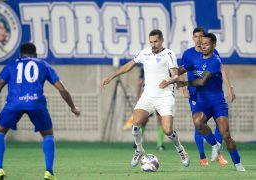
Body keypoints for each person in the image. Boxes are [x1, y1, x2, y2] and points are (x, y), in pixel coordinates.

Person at [0, 43, 81, 180]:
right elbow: (61, 88)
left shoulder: (11, 65)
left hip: (14, 103)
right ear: (35, 55)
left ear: (20, 55)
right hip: (36, 103)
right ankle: (49, 172)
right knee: (48, 134)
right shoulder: (43, 65)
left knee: (0, 131)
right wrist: (73, 107)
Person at [100, 29, 189, 168]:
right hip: (147, 96)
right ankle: (139, 149)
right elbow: (129, 65)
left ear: (162, 40)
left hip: (165, 97)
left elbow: (176, 75)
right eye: (151, 42)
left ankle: (180, 149)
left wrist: (169, 81)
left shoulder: (169, 54)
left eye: (156, 41)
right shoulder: (145, 52)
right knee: (135, 125)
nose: (153, 44)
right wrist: (111, 76)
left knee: (168, 130)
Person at [177, 33, 245, 172]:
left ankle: (238, 164)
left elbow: (202, 81)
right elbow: (179, 70)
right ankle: (214, 145)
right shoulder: (194, 58)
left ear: (214, 45)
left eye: (206, 44)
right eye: (201, 43)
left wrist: (183, 83)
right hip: (202, 102)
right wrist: (168, 75)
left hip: (217, 103)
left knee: (226, 135)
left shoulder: (215, 61)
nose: (203, 46)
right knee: (197, 122)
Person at [127, 67, 165, 151]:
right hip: (148, 96)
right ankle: (137, 142)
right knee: (143, 120)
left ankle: (160, 144)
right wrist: (138, 96)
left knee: (160, 119)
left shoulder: (163, 64)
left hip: (160, 97)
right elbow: (140, 82)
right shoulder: (144, 66)